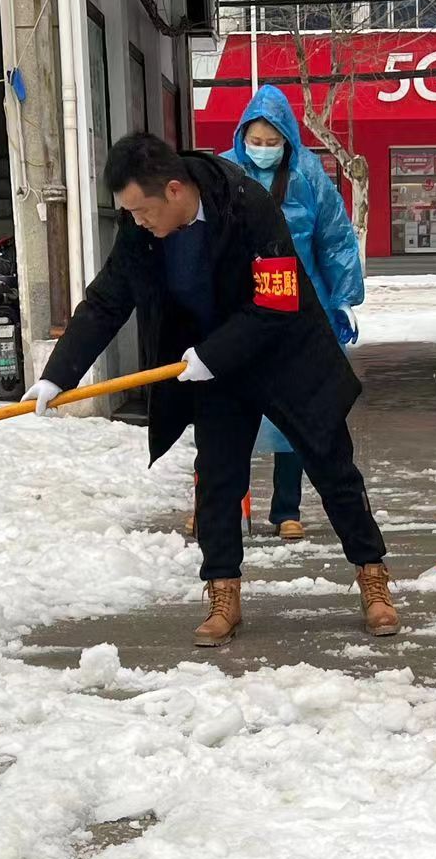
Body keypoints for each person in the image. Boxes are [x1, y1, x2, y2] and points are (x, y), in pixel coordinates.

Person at [24, 131, 398, 646]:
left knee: (332, 469)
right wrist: (58, 374)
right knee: (218, 480)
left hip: (284, 355)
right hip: (216, 369)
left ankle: (373, 578)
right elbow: (107, 299)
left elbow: (277, 300)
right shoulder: (142, 229)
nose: (137, 221)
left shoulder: (247, 204)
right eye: (130, 213)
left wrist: (211, 355)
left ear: (174, 190)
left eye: (142, 211)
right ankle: (223, 593)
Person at [227, 84, 365, 543]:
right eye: (256, 141)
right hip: (241, 311)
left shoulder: (307, 176)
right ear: (242, 136)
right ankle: (224, 502)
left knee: (295, 413)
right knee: (231, 411)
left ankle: (286, 508)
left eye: (272, 142)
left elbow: (336, 239)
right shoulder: (225, 173)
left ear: (287, 140)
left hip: (298, 309)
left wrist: (342, 298)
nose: (263, 149)